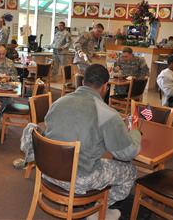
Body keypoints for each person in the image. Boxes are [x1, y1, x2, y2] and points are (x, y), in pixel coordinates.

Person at [21, 64, 141, 220]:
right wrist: (135, 132)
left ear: (83, 81)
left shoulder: (59, 102)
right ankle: (99, 209)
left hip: (47, 170)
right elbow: (127, 153)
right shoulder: (108, 114)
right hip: (78, 180)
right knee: (130, 171)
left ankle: (98, 206)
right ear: (105, 86)